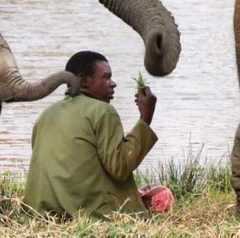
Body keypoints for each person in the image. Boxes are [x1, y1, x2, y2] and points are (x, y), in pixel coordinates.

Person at [22, 50, 169, 217]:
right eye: (106, 77)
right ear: (84, 80)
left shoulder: (46, 113)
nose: (113, 84)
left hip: (42, 212)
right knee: (162, 194)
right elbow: (119, 168)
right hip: (84, 212)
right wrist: (145, 118)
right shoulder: (103, 111)